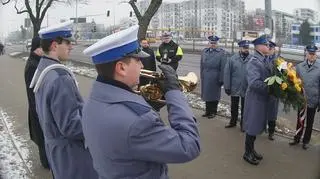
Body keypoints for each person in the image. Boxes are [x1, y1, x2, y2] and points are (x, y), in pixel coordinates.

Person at [82, 25, 200, 179]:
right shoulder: (139, 122)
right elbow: (189, 145)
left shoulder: (92, 102)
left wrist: (147, 103)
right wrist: (174, 93)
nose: (142, 65)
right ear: (121, 68)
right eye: (137, 60)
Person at [29, 21, 98, 179]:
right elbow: (72, 127)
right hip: (73, 156)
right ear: (54, 45)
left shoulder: (43, 69)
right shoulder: (60, 77)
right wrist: (97, 124)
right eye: (67, 42)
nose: (71, 47)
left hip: (57, 152)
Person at [242, 35, 272, 165]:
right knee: (252, 127)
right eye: (266, 45)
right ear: (259, 46)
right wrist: (271, 88)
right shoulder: (254, 61)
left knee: (255, 126)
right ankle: (247, 153)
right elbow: (254, 83)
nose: (268, 47)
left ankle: (252, 150)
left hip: (260, 99)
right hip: (255, 99)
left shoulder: (263, 59)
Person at [24, 36, 50, 169]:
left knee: (44, 138)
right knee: (43, 139)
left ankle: (47, 163)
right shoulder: (33, 66)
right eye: (41, 48)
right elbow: (33, 92)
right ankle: (47, 166)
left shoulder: (35, 62)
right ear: (36, 48)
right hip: (37, 109)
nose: (43, 51)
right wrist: (39, 111)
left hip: (37, 108)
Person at [289, 44, 320, 150]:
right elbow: (294, 82)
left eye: (313, 54)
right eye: (309, 53)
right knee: (300, 120)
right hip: (301, 99)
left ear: (316, 55)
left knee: (310, 122)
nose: (311, 56)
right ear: (306, 54)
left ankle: (306, 141)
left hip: (313, 99)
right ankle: (297, 138)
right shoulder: (300, 66)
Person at [224, 40, 252, 130]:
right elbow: (227, 73)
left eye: (247, 48)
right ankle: (233, 122)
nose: (246, 50)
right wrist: (227, 87)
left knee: (245, 108)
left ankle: (243, 125)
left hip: (246, 87)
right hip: (235, 86)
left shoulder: (252, 59)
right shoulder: (232, 59)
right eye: (244, 48)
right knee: (234, 106)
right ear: (240, 48)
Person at [200, 35, 229, 119]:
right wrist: (202, 74)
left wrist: (221, 79)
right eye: (211, 43)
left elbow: (223, 67)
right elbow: (202, 65)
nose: (213, 44)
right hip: (206, 75)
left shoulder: (222, 53)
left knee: (214, 95)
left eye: (214, 43)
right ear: (209, 43)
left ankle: (213, 111)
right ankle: (207, 111)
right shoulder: (205, 51)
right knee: (206, 94)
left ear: (217, 43)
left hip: (215, 76)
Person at [138, 39, 165, 112]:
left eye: (146, 43)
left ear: (148, 44)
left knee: (147, 86)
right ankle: (140, 97)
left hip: (149, 71)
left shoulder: (151, 51)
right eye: (143, 43)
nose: (145, 44)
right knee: (140, 85)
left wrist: (154, 72)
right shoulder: (138, 51)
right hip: (141, 72)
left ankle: (147, 99)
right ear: (141, 44)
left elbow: (153, 62)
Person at [266, 41, 279, 141]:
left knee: (272, 113)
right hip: (263, 89)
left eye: (271, 49)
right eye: (268, 48)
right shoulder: (262, 58)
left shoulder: (279, 61)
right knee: (261, 110)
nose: (269, 50)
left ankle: (271, 132)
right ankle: (260, 128)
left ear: (274, 49)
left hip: (273, 91)